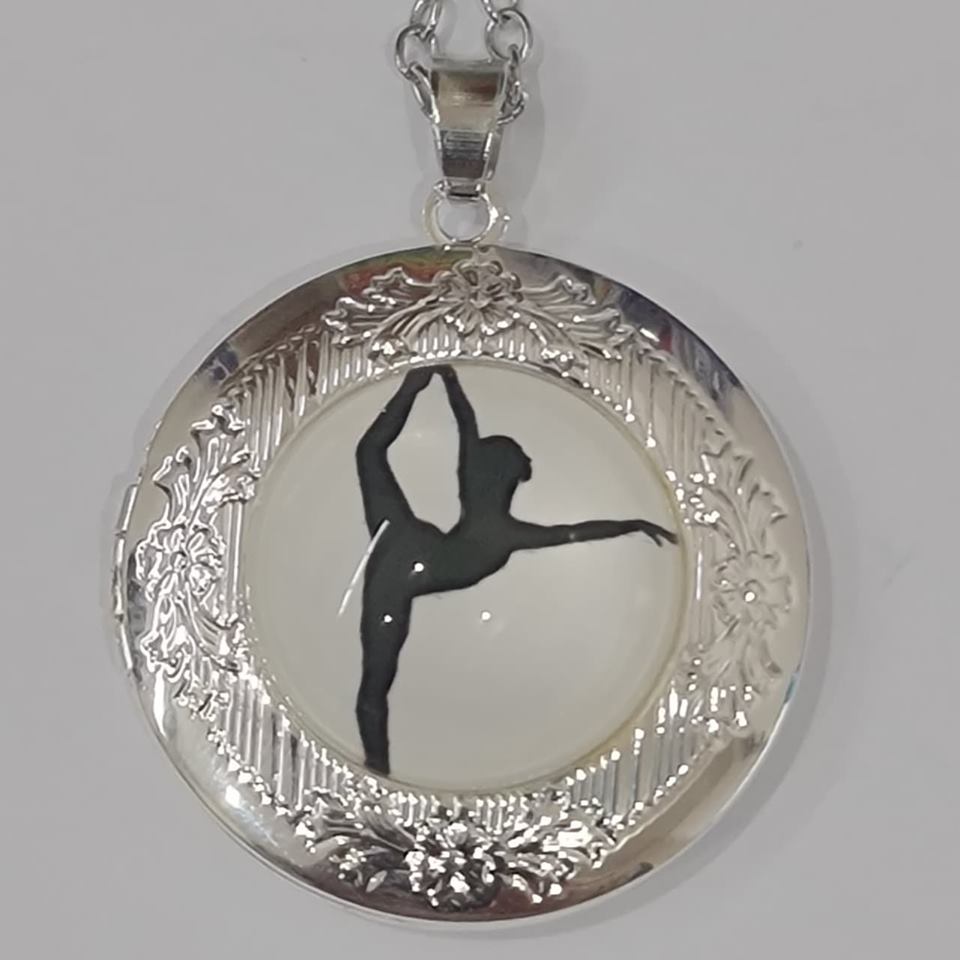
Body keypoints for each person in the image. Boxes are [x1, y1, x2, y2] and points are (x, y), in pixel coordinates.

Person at [354, 365, 677, 775]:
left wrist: (445, 382)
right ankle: (377, 766)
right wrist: (447, 382)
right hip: (402, 563)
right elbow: (573, 532)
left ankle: (377, 764)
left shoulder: (493, 516)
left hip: (408, 549)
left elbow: (467, 424)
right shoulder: (506, 533)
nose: (528, 461)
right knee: (375, 682)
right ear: (508, 477)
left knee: (369, 453)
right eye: (522, 459)